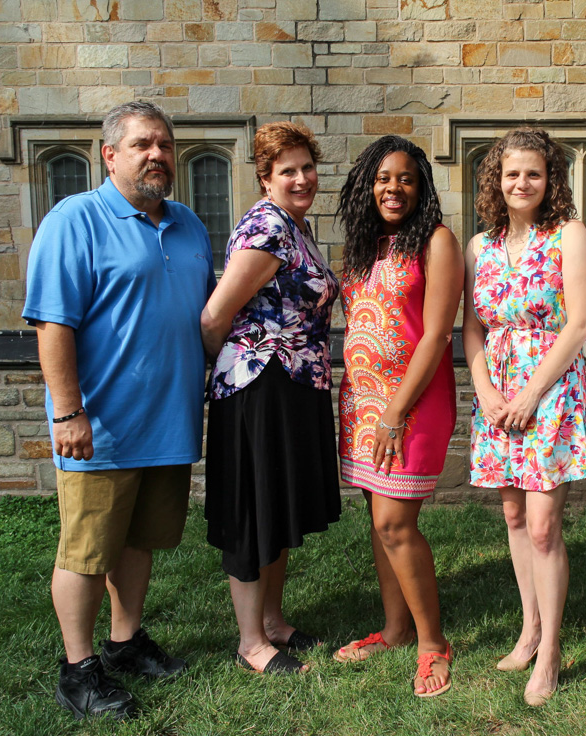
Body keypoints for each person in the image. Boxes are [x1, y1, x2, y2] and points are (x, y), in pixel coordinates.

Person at [22, 101, 215, 720]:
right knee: (86, 550)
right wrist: (67, 411)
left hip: (168, 422)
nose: (157, 154)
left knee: (139, 542)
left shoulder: (188, 224)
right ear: (110, 155)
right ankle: (78, 672)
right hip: (100, 426)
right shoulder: (73, 220)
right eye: (141, 145)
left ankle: (125, 643)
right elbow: (53, 322)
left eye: (164, 144)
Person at [199, 122, 341, 676]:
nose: (301, 178)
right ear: (265, 179)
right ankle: (251, 642)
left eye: (307, 167)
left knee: (277, 506)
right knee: (253, 509)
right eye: (288, 170)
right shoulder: (268, 228)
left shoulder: (294, 227)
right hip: (261, 387)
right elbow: (214, 315)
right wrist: (237, 364)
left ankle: (274, 623)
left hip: (294, 386)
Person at [462, 128, 586, 706]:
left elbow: (581, 323)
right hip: (498, 394)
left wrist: (531, 394)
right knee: (514, 516)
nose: (522, 183)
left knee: (543, 525)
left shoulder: (569, 235)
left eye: (534, 173)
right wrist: (486, 388)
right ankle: (529, 627)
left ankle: (551, 648)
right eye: (512, 173)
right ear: (497, 178)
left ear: (550, 179)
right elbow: (472, 328)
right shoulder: (478, 246)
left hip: (551, 390)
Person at [332, 136, 464, 698]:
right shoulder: (365, 246)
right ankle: (394, 629)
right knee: (378, 522)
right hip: (361, 399)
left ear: (422, 187)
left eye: (406, 178)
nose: (394, 188)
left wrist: (392, 413)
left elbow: (435, 335)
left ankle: (432, 643)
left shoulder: (435, 242)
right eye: (383, 178)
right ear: (367, 185)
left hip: (409, 403)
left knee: (394, 523)